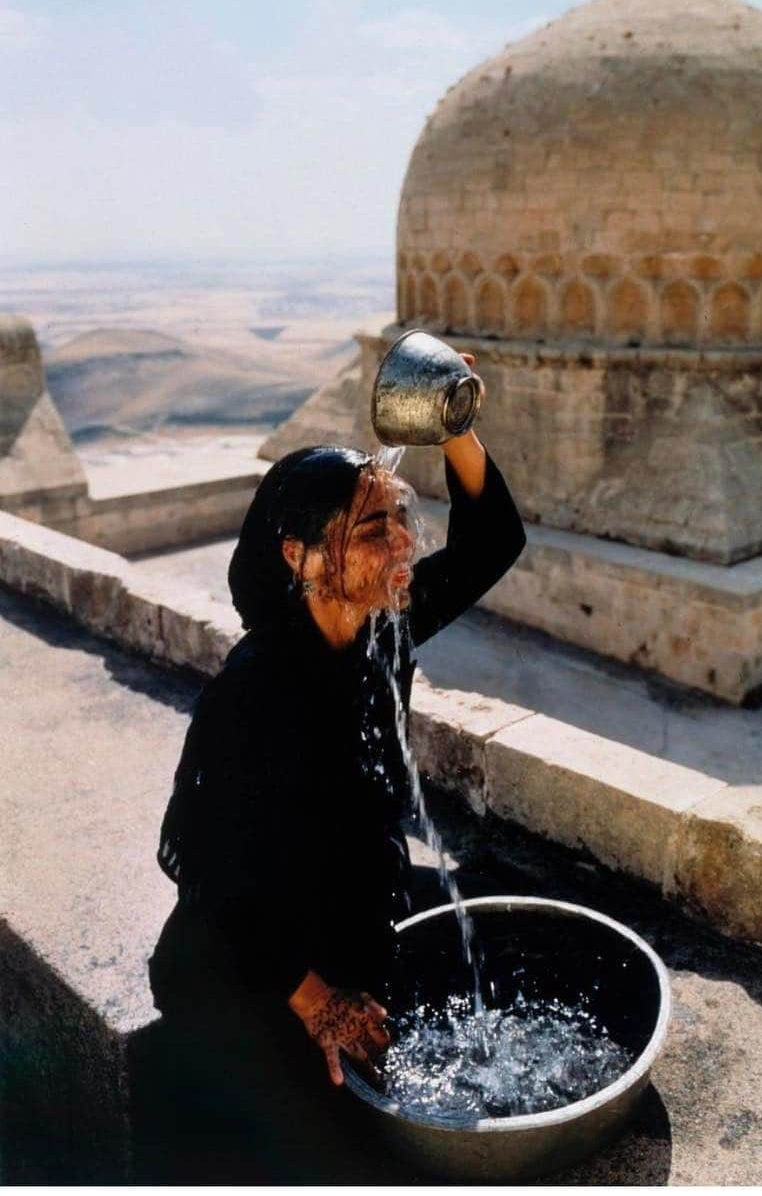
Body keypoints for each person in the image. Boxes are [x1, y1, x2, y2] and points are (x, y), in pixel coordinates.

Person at [144, 395, 525, 1179]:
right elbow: (207, 870)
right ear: (300, 555)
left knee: (503, 913)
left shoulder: (383, 624)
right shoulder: (252, 693)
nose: (402, 547)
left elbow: (494, 539)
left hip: (348, 903)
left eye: (400, 521)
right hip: (251, 957)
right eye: (372, 529)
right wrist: (319, 1003)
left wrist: (451, 422)